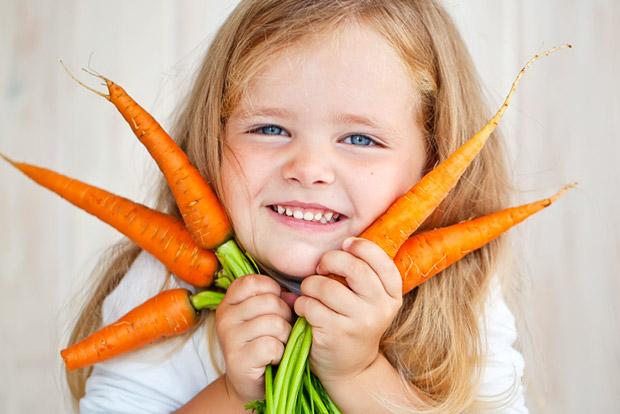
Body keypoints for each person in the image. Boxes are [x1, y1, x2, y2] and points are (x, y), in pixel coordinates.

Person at [66, 1, 528, 412]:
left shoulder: (463, 296)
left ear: (432, 163)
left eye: (360, 138)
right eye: (268, 129)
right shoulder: (162, 282)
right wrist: (232, 395)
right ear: (213, 140)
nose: (308, 169)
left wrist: (359, 374)